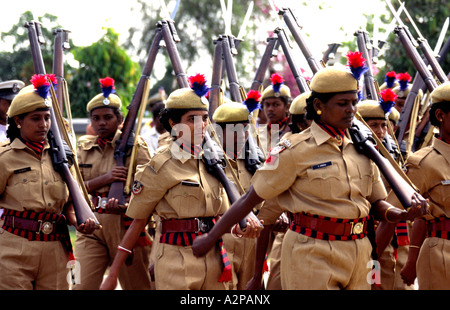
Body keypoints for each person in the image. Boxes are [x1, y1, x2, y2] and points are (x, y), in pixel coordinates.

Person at [192, 52, 428, 290]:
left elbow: (376, 203)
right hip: (313, 253)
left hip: (359, 253)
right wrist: (212, 237)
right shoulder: (293, 150)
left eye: (353, 103)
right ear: (318, 106)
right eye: (342, 103)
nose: (351, 110)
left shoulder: (361, 148)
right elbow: (251, 197)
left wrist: (399, 215)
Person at [100, 74, 260, 290]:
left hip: (216, 257)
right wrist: (114, 273)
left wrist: (240, 226)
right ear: (174, 123)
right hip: (176, 260)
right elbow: (139, 221)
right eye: (192, 119)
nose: (202, 125)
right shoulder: (162, 164)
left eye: (204, 118)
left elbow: (222, 211)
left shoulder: (215, 160)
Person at [0, 74, 97, 289]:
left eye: (46, 117)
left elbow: (72, 199)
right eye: (36, 118)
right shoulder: (4, 157)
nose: (43, 124)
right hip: (14, 247)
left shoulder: (63, 157)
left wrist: (77, 219)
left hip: (55, 248)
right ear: (18, 120)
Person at [73, 77, 152, 290]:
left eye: (108, 117)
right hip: (90, 224)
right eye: (96, 118)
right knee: (79, 284)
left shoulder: (136, 147)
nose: (101, 123)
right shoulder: (83, 147)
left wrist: (127, 200)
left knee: (137, 286)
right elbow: (74, 188)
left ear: (120, 119)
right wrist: (106, 178)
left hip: (126, 226)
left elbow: (149, 187)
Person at [392, 81, 450, 289]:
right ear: (441, 115)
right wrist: (370, 262)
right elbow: (393, 213)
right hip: (441, 252)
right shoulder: (423, 162)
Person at [357, 90, 412, 290]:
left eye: (384, 125)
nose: (380, 132)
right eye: (373, 126)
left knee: (390, 282)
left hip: (390, 233)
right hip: (360, 236)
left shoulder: (393, 157)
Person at [211, 90, 264, 290]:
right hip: (221, 240)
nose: (243, 135)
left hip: (252, 241)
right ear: (219, 132)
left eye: (245, 129)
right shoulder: (206, 163)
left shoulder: (254, 162)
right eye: (236, 130)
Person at [258, 73, 292, 155]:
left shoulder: (294, 130)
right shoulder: (259, 134)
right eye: (267, 105)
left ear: (287, 107)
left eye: (276, 104)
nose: (270, 109)